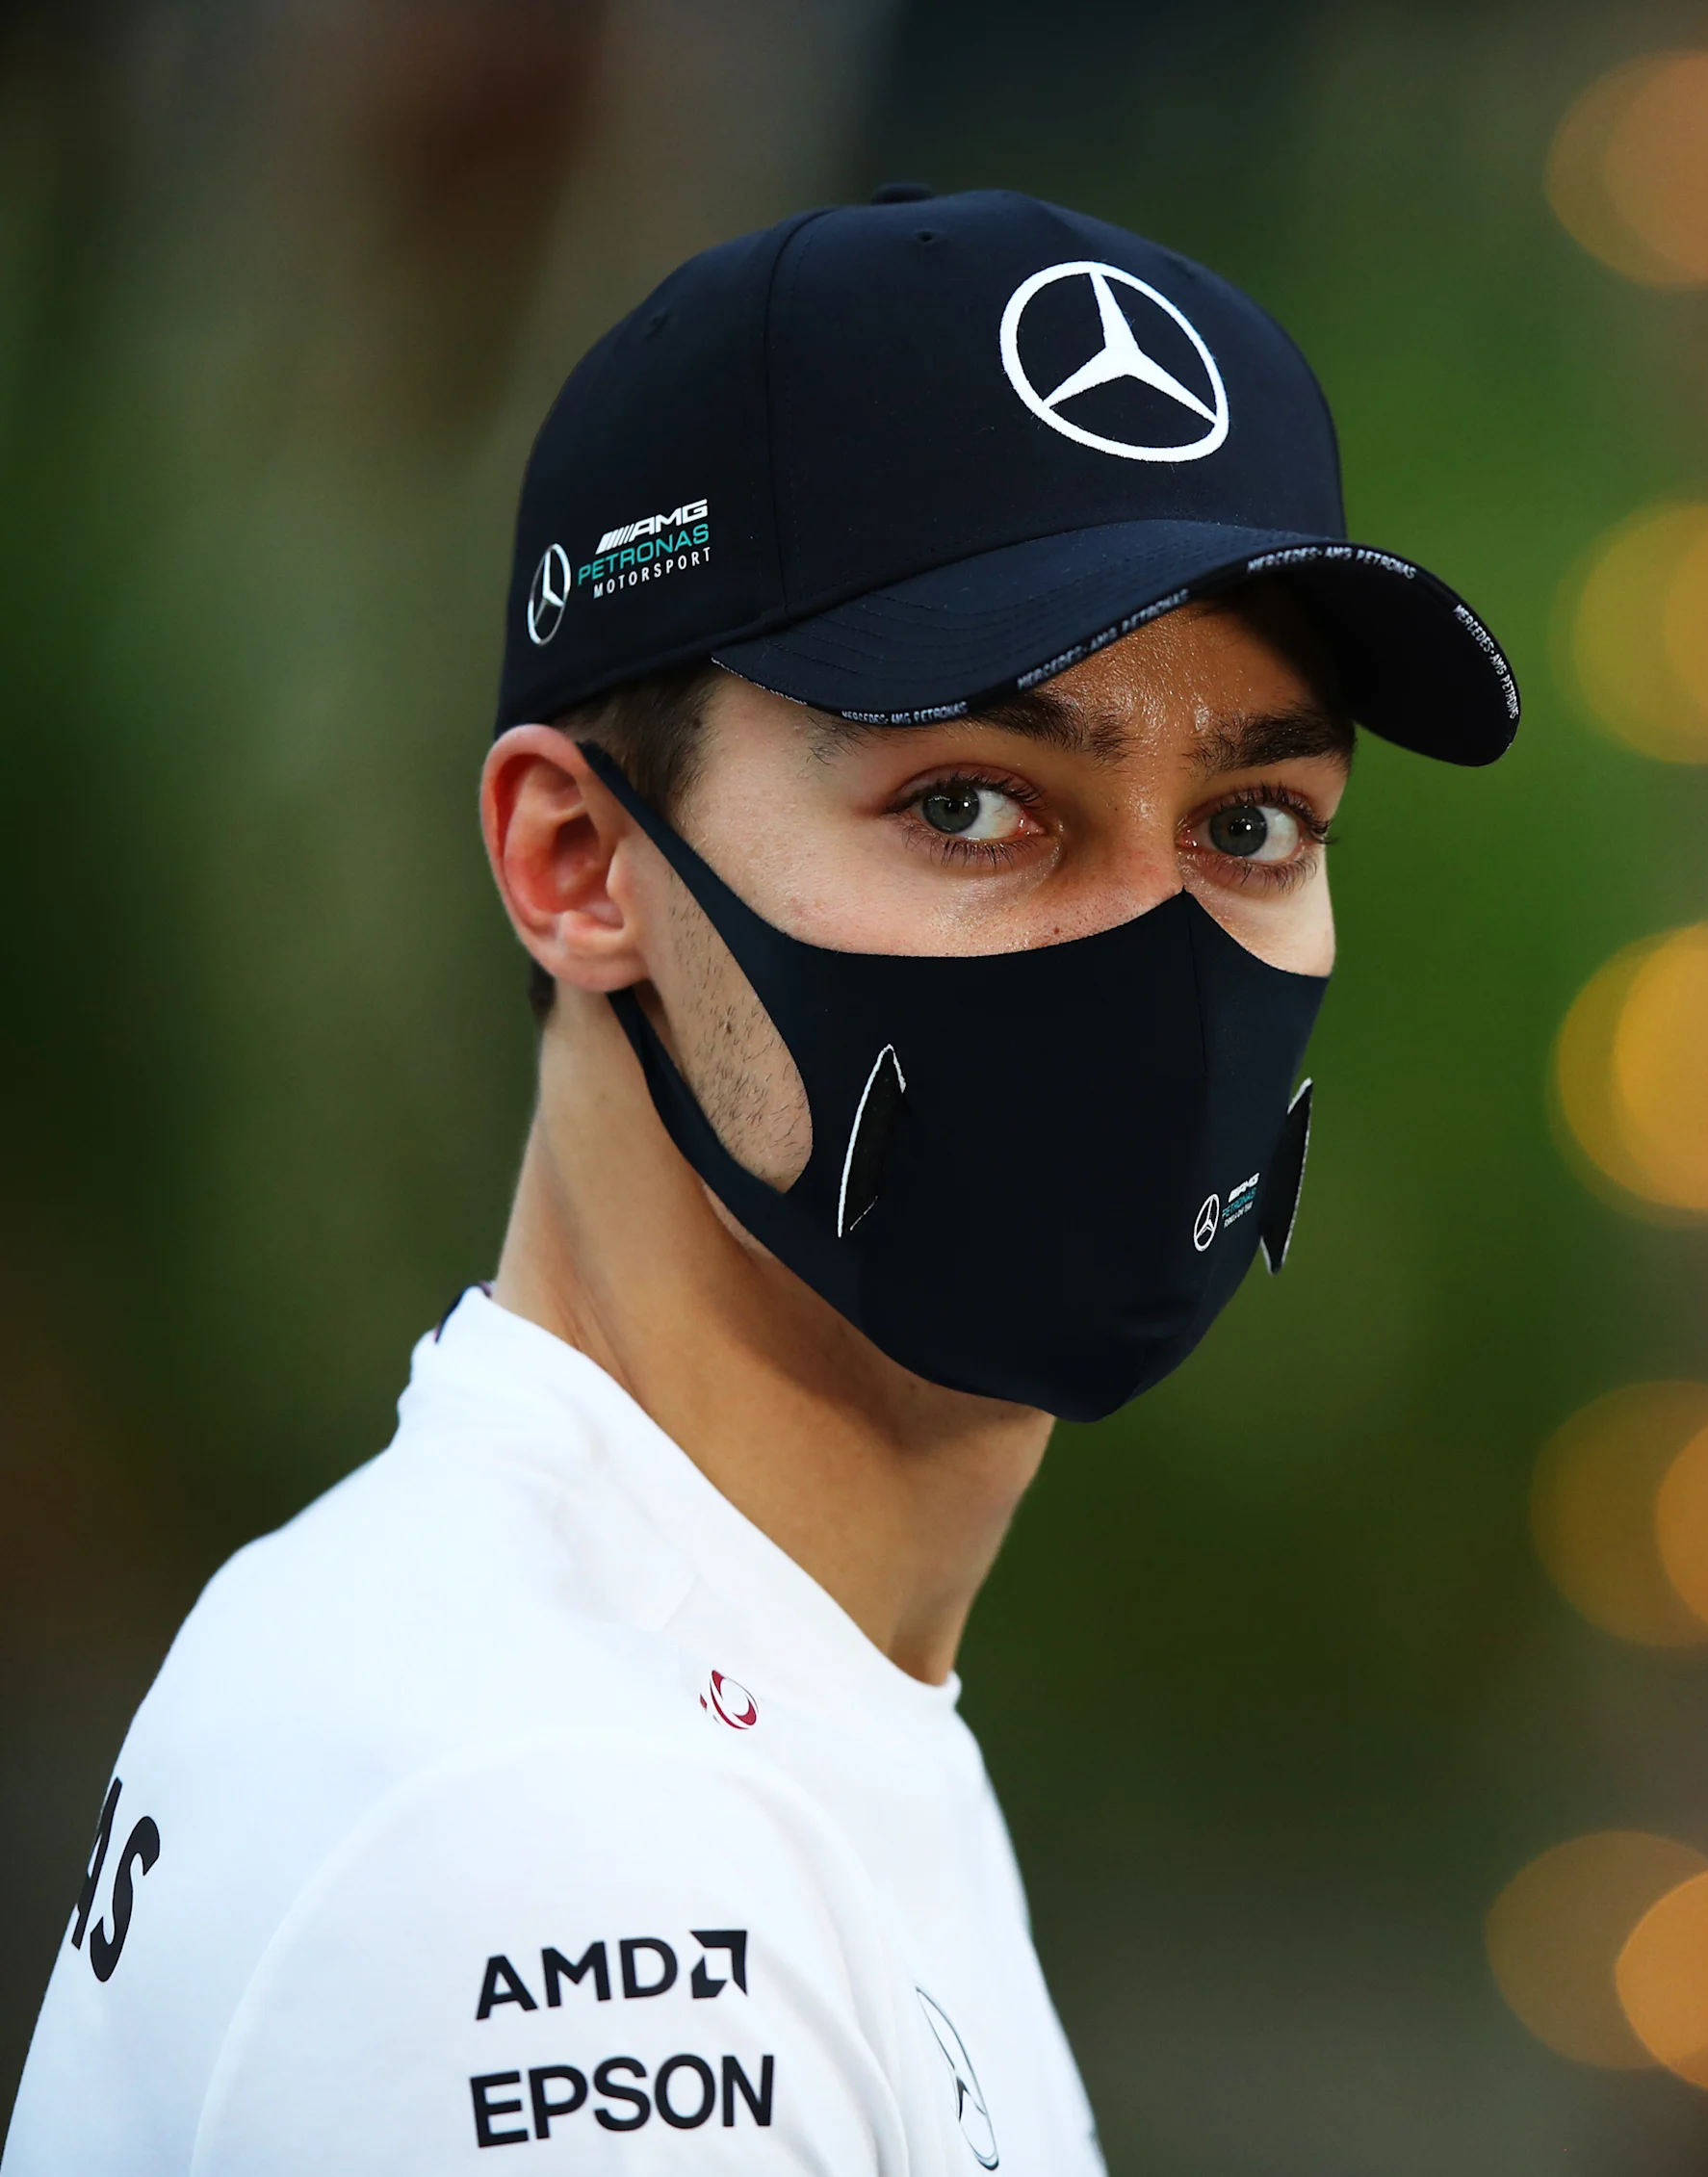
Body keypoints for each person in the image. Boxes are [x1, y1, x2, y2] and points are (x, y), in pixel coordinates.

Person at [3, 185, 1514, 2171]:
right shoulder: (552, 1851)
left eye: (1249, 818)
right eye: (972, 802)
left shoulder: (712, 1692)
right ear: (576, 861)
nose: (1158, 957)